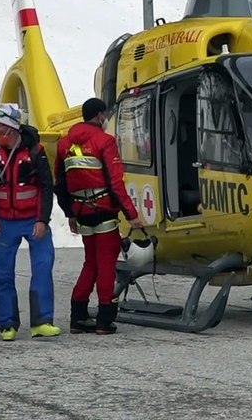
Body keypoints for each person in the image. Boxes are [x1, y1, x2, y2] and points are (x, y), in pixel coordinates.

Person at [54, 98, 144, 334]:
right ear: (100, 115)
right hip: (103, 210)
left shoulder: (64, 144)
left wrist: (70, 213)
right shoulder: (105, 141)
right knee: (105, 264)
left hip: (82, 212)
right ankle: (105, 318)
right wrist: (132, 215)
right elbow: (116, 183)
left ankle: (78, 316)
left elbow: (60, 184)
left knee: (90, 263)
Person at [0, 103, 60, 340]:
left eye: (0, 128)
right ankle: (7, 324)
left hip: (33, 220)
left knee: (43, 268)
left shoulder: (35, 151)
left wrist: (43, 219)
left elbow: (46, 186)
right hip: (3, 222)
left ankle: (42, 322)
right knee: (1, 273)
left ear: (13, 129)